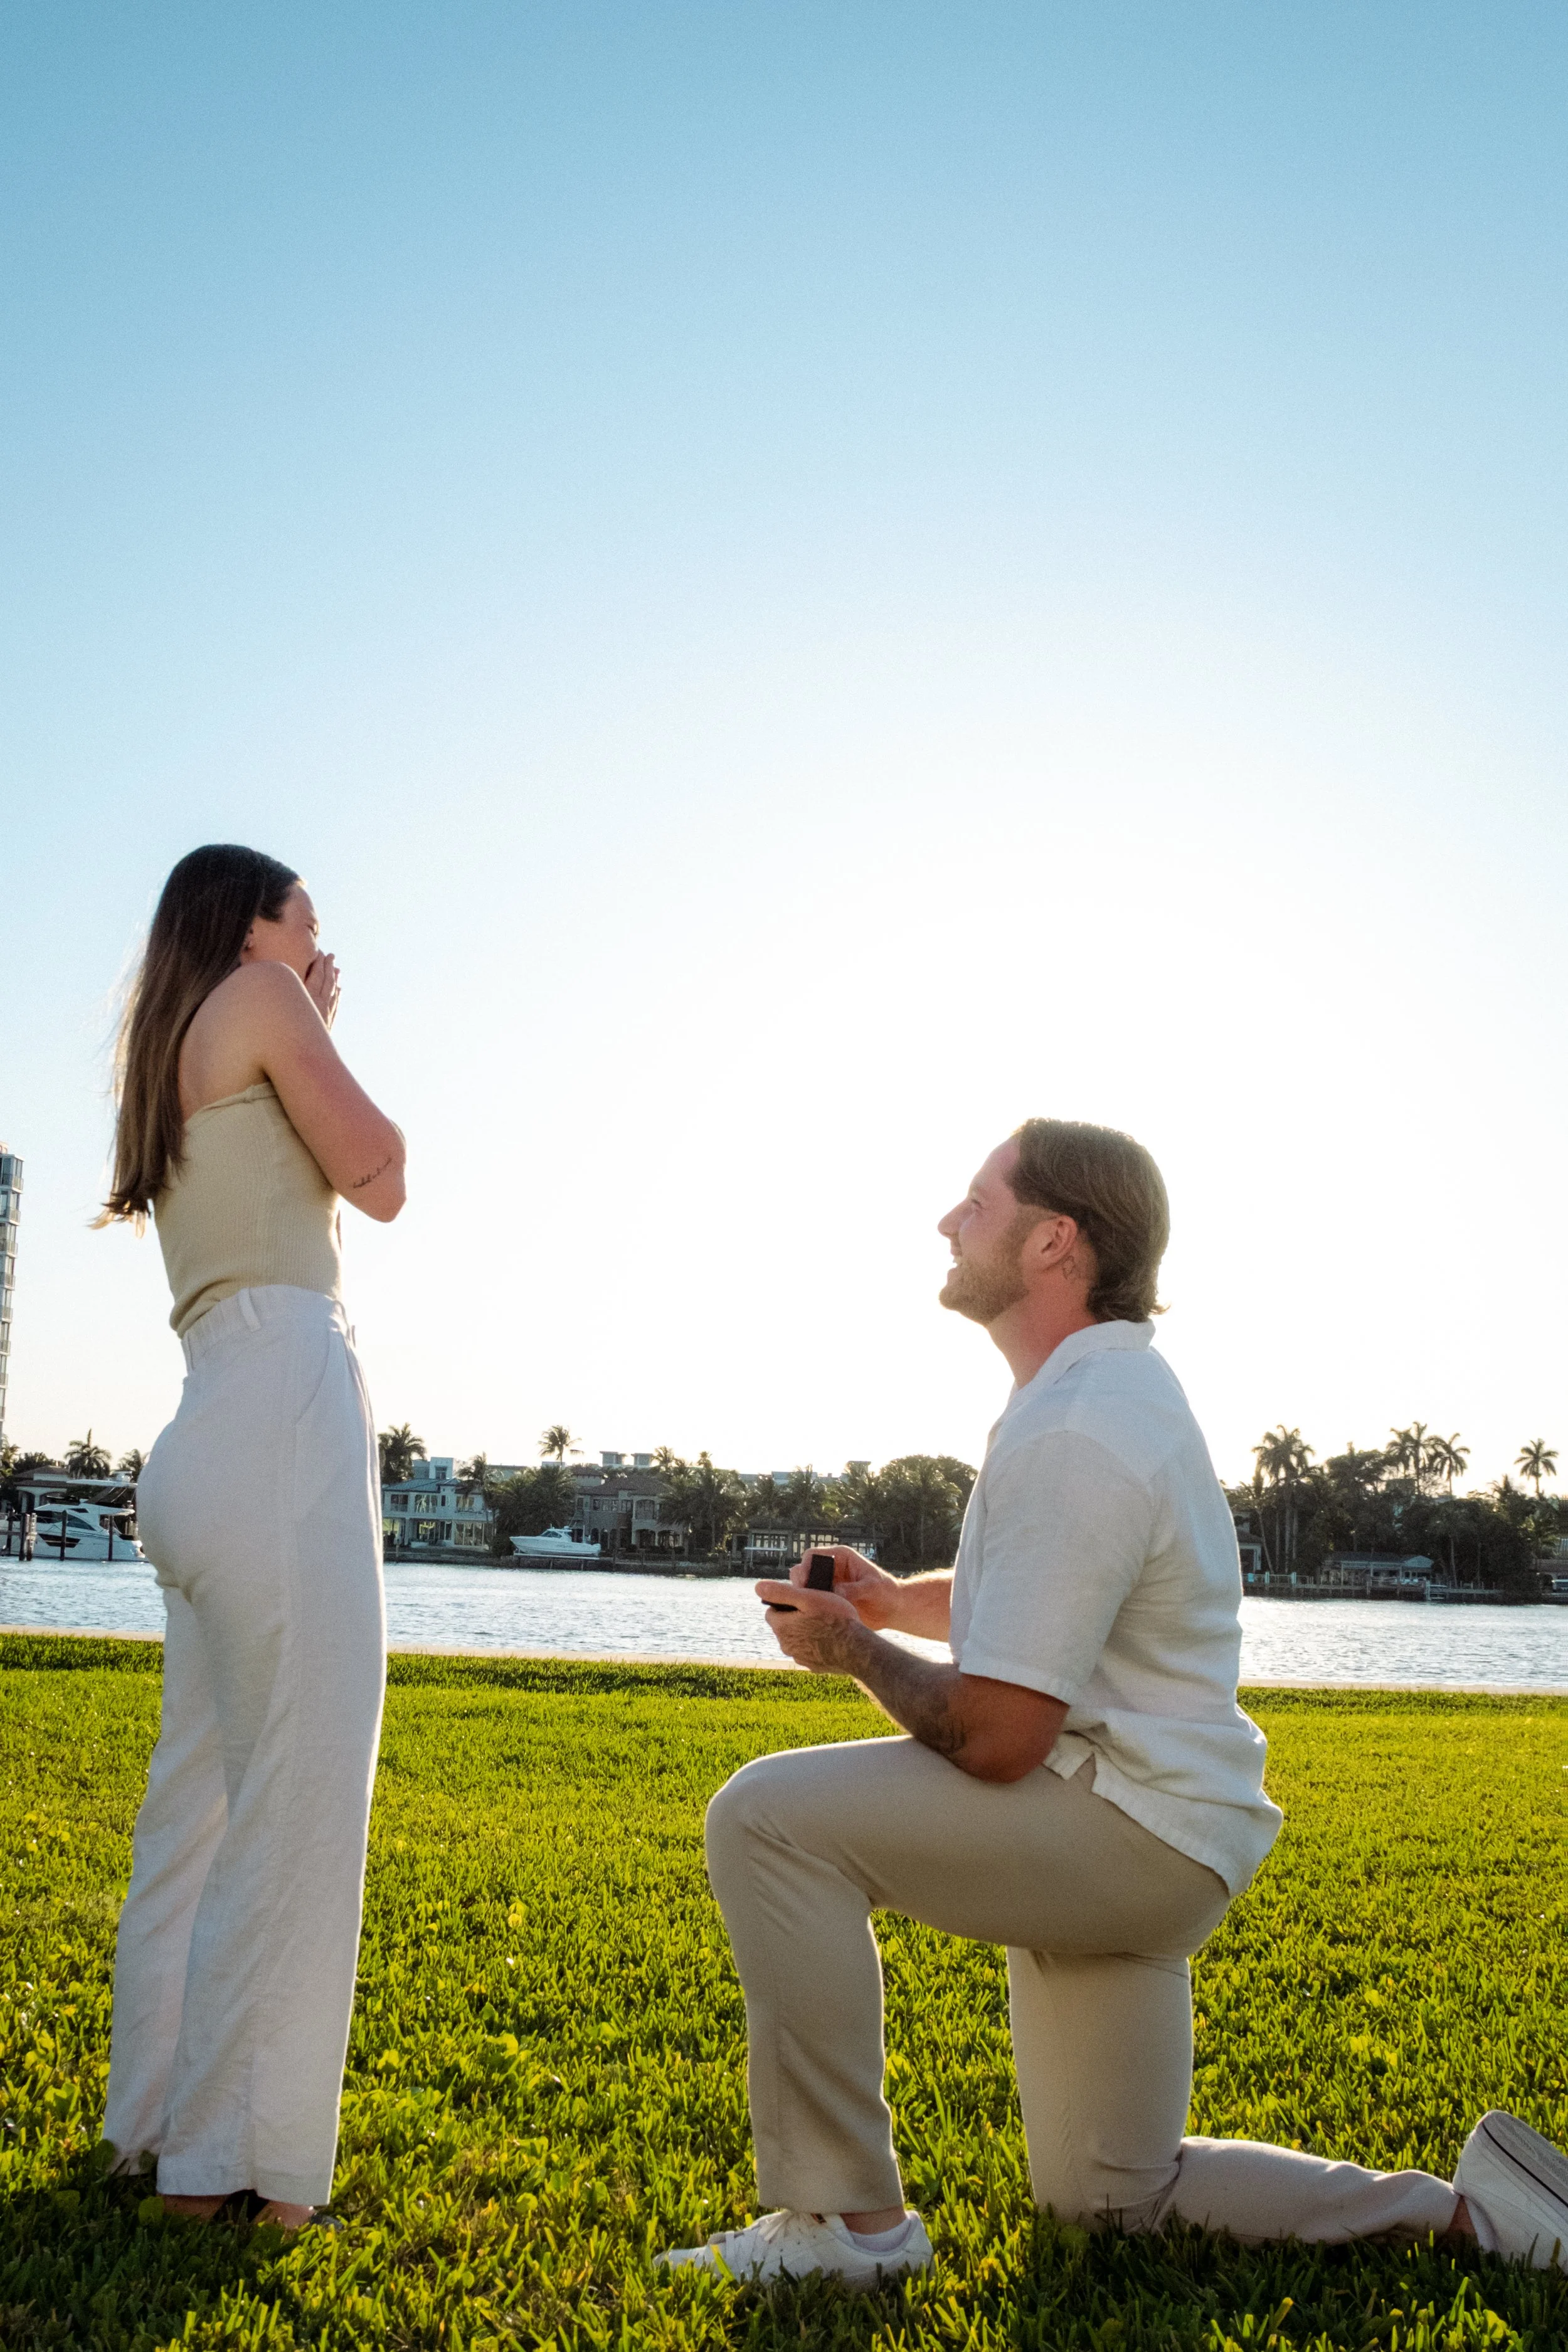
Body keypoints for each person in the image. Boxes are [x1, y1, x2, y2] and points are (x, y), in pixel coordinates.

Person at [660, 1118, 1568, 2287]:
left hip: (1120, 1826)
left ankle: (851, 2228)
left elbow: (997, 1736)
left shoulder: (1082, 1425)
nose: (948, 1221)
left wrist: (850, 1654)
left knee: (766, 1817)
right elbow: (1053, 1605)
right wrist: (893, 1607)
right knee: (1113, 2201)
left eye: (976, 1203)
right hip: (1161, 1832)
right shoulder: (1102, 1396)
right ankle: (1475, 2218)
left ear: (1055, 1242)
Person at [97, 844, 406, 2230]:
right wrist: (319, 1021)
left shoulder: (170, 1039)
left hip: (201, 1423)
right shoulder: (265, 1002)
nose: (317, 952)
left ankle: (153, 2122)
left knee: (199, 1808)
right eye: (306, 926)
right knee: (296, 1807)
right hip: (280, 1402)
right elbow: (382, 1174)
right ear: (250, 924)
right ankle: (234, 2168)